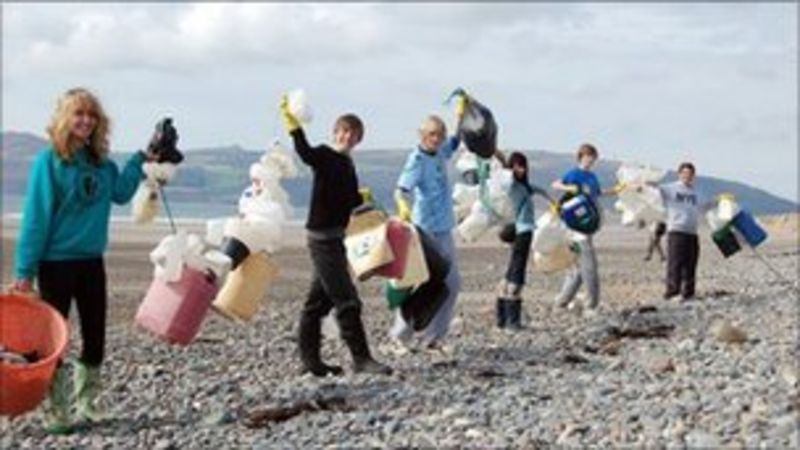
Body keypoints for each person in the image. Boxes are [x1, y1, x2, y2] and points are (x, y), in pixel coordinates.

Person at [12, 88, 155, 434]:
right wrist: (24, 271)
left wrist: (141, 159)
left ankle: (88, 403)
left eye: (92, 115)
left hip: (92, 263)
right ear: (64, 117)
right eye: (79, 114)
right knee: (53, 341)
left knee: (95, 336)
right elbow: (36, 217)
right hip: (55, 264)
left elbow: (120, 193)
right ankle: (58, 409)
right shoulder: (50, 162)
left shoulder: (103, 165)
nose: (86, 120)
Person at [280, 96, 392, 377]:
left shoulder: (346, 164)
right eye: (343, 131)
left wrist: (364, 201)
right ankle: (362, 359)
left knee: (317, 303)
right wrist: (294, 128)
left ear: (358, 139)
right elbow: (305, 153)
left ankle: (311, 362)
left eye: (353, 134)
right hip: (322, 239)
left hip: (336, 238)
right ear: (335, 132)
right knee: (347, 300)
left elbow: (349, 202)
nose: (347, 137)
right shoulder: (325, 155)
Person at [390, 98, 467, 352]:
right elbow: (401, 190)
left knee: (452, 282)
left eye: (440, 134)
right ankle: (400, 334)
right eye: (432, 134)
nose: (437, 138)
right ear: (422, 135)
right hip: (424, 230)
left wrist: (460, 116)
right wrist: (403, 207)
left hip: (444, 228)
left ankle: (433, 336)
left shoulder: (441, 151)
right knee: (423, 282)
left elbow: (455, 142)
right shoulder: (417, 161)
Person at [551, 143, 623, 315]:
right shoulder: (574, 174)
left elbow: (597, 193)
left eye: (593, 158)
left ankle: (561, 303)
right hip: (574, 226)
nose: (591, 160)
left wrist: (615, 190)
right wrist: (568, 187)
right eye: (589, 157)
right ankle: (591, 305)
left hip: (588, 225)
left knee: (579, 270)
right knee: (590, 266)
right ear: (581, 157)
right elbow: (556, 184)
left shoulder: (592, 177)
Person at [495, 151, 554, 329]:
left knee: (512, 270)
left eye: (522, 166)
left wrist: (552, 202)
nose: (520, 169)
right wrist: (497, 153)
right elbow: (503, 170)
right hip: (522, 231)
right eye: (516, 166)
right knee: (517, 274)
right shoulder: (511, 185)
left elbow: (540, 190)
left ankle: (502, 319)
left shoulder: (525, 187)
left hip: (524, 231)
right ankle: (512, 321)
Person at [647, 162, 716, 301]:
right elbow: (655, 189)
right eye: (684, 173)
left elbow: (705, 206)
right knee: (675, 263)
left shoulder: (696, 192)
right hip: (676, 230)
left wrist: (719, 202)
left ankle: (688, 293)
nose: (687, 176)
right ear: (679, 174)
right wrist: (644, 182)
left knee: (691, 263)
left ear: (693, 176)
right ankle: (672, 292)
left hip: (692, 231)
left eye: (690, 174)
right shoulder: (671, 188)